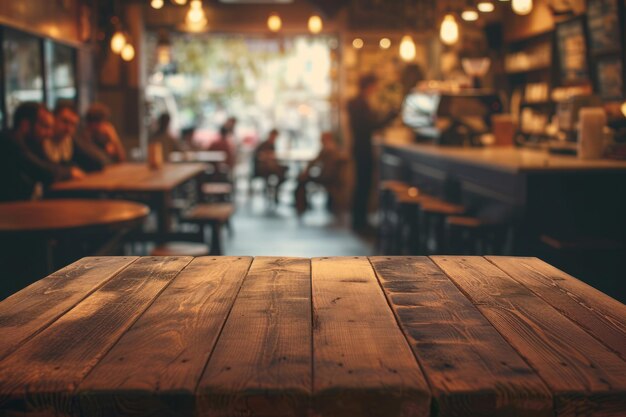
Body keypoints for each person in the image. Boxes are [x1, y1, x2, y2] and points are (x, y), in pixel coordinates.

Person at [347, 73, 398, 232]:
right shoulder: (359, 103)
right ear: (369, 86)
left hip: (359, 147)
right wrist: (390, 116)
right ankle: (360, 222)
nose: (376, 89)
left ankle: (359, 220)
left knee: (362, 185)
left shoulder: (356, 102)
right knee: (364, 184)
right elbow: (370, 126)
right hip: (363, 149)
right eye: (375, 85)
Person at [0, 102, 61, 201]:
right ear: (25, 125)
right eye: (45, 127)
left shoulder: (32, 144)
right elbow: (46, 173)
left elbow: (52, 166)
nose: (50, 134)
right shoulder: (8, 142)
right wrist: (69, 172)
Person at [28, 101, 106, 177]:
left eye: (73, 125)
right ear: (53, 118)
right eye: (65, 121)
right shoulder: (39, 139)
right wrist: (68, 172)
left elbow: (99, 162)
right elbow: (43, 170)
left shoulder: (69, 141)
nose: (68, 129)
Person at [294, 132, 342, 216]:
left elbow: (314, 162)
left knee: (302, 180)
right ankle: (302, 203)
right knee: (303, 178)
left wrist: (305, 172)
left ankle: (301, 204)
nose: (320, 141)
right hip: (331, 177)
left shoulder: (327, 149)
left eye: (322, 139)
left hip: (326, 177)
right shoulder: (335, 149)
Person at [252, 128, 288, 193]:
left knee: (285, 169)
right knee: (281, 171)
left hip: (270, 166)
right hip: (262, 168)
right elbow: (260, 157)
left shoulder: (272, 145)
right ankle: (273, 190)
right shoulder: (263, 145)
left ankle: (276, 189)